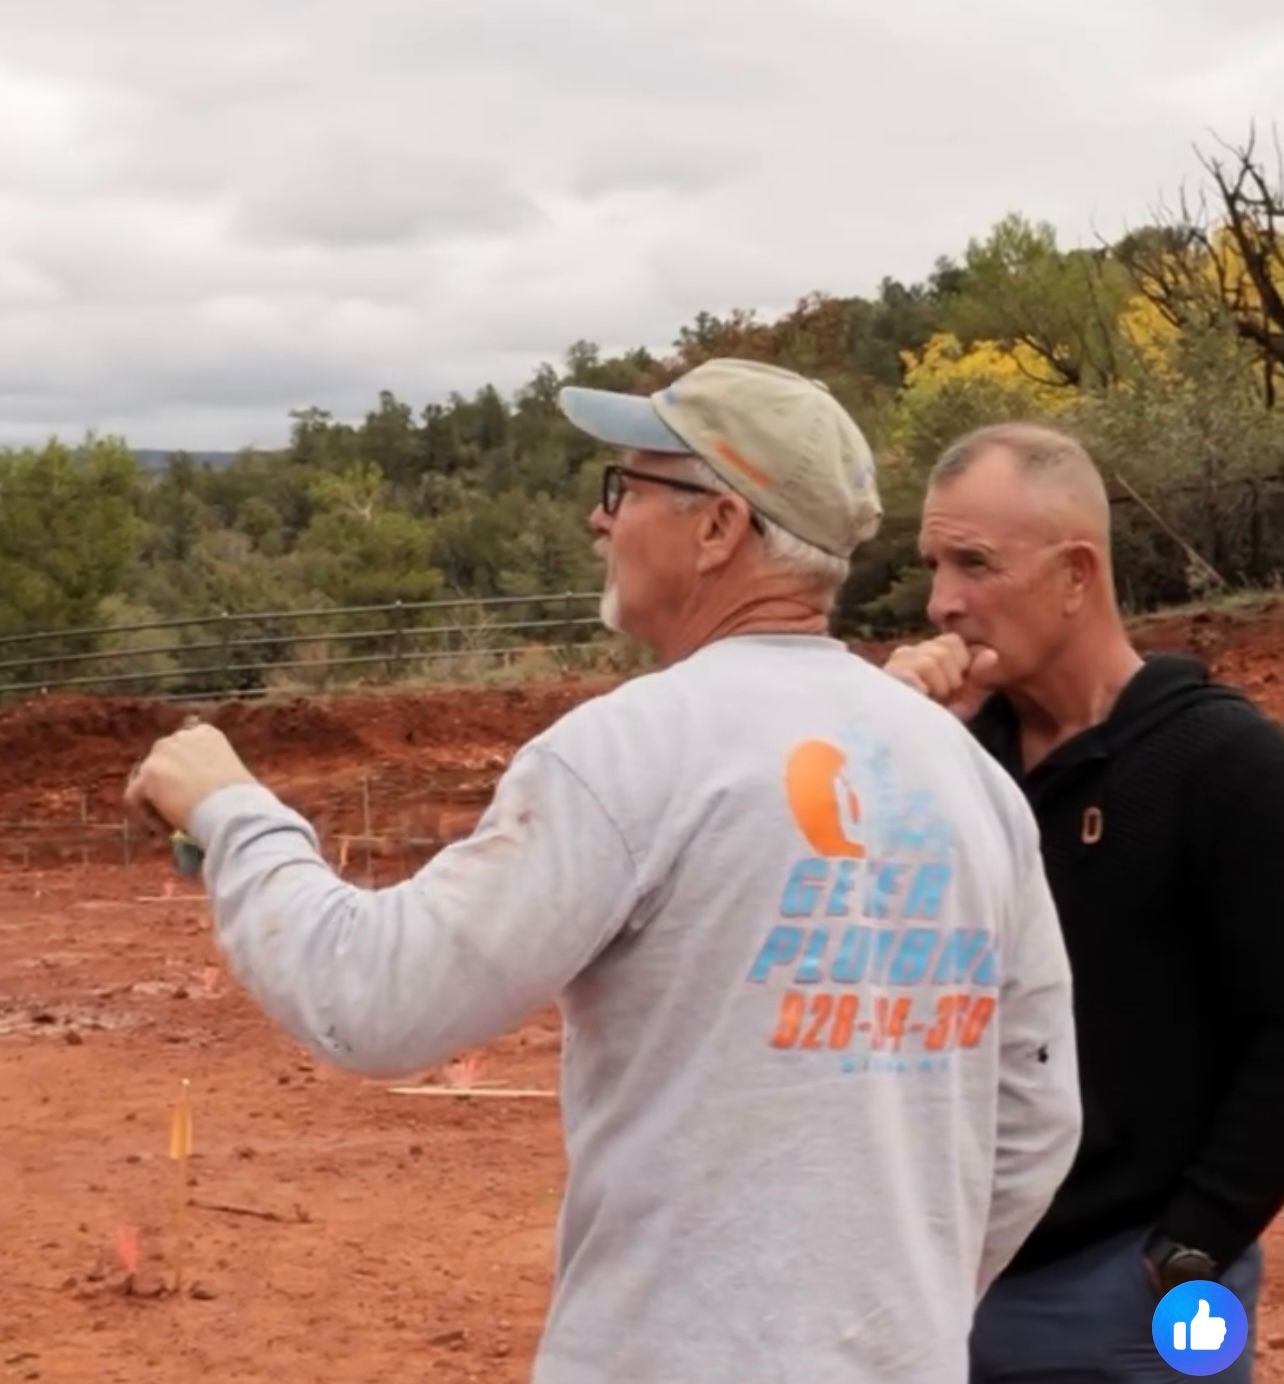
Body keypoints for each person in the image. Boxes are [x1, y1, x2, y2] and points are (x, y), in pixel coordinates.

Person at [126, 360, 1081, 1384]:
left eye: (625, 487)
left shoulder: (633, 751)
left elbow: (374, 994)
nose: (599, 517)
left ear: (718, 527)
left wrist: (232, 812)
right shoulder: (967, 780)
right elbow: (1036, 1112)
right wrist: (902, 1310)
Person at [884, 420, 1284, 1382]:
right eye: (934, 566)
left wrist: (1195, 1242)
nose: (942, 603)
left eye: (975, 564)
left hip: (1143, 1292)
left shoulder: (1224, 764)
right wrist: (891, 752)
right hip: (948, 1281)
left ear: (1075, 574)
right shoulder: (948, 764)